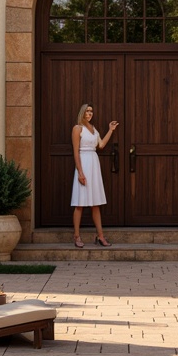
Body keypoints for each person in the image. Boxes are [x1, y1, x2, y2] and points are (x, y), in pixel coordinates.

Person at [71, 102, 118, 248]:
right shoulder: (77, 129)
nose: (90, 114)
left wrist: (110, 130)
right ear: (82, 113)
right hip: (83, 163)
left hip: (94, 163)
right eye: (87, 111)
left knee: (95, 204)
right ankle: (77, 236)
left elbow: (101, 145)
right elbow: (76, 151)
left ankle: (100, 236)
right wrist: (80, 172)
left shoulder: (94, 129)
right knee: (79, 204)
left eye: (91, 111)